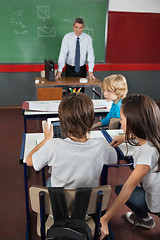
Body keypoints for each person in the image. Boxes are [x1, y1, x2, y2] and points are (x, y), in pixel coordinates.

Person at [100, 94, 160, 239]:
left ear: (134, 122)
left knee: (121, 190)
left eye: (122, 118)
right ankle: (143, 218)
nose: (120, 121)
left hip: (157, 202)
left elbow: (128, 188)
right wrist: (126, 137)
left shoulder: (147, 153)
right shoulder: (154, 133)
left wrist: (105, 218)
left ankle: (145, 218)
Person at [26, 92, 117, 189]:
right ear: (91, 119)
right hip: (90, 201)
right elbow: (114, 159)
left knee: (49, 181)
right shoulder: (101, 145)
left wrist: (46, 139)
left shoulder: (53, 145)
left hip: (60, 202)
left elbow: (29, 161)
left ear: (62, 122)